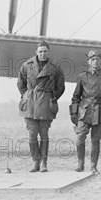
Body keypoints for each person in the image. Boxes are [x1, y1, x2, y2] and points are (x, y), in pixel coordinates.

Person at [17, 40, 65, 172]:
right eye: (40, 51)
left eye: (45, 51)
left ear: (48, 52)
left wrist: (52, 98)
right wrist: (26, 96)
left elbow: (60, 87)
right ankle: (35, 161)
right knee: (32, 134)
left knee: (44, 134)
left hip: (46, 104)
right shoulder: (27, 65)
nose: (42, 54)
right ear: (36, 52)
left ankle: (44, 162)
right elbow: (20, 83)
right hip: (30, 105)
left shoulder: (55, 67)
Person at [70, 49, 101, 174]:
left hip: (100, 112)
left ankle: (93, 166)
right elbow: (76, 97)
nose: (95, 62)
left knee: (95, 140)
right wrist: (73, 113)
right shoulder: (82, 77)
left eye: (97, 59)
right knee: (80, 138)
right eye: (92, 60)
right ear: (88, 62)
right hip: (84, 111)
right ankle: (80, 163)